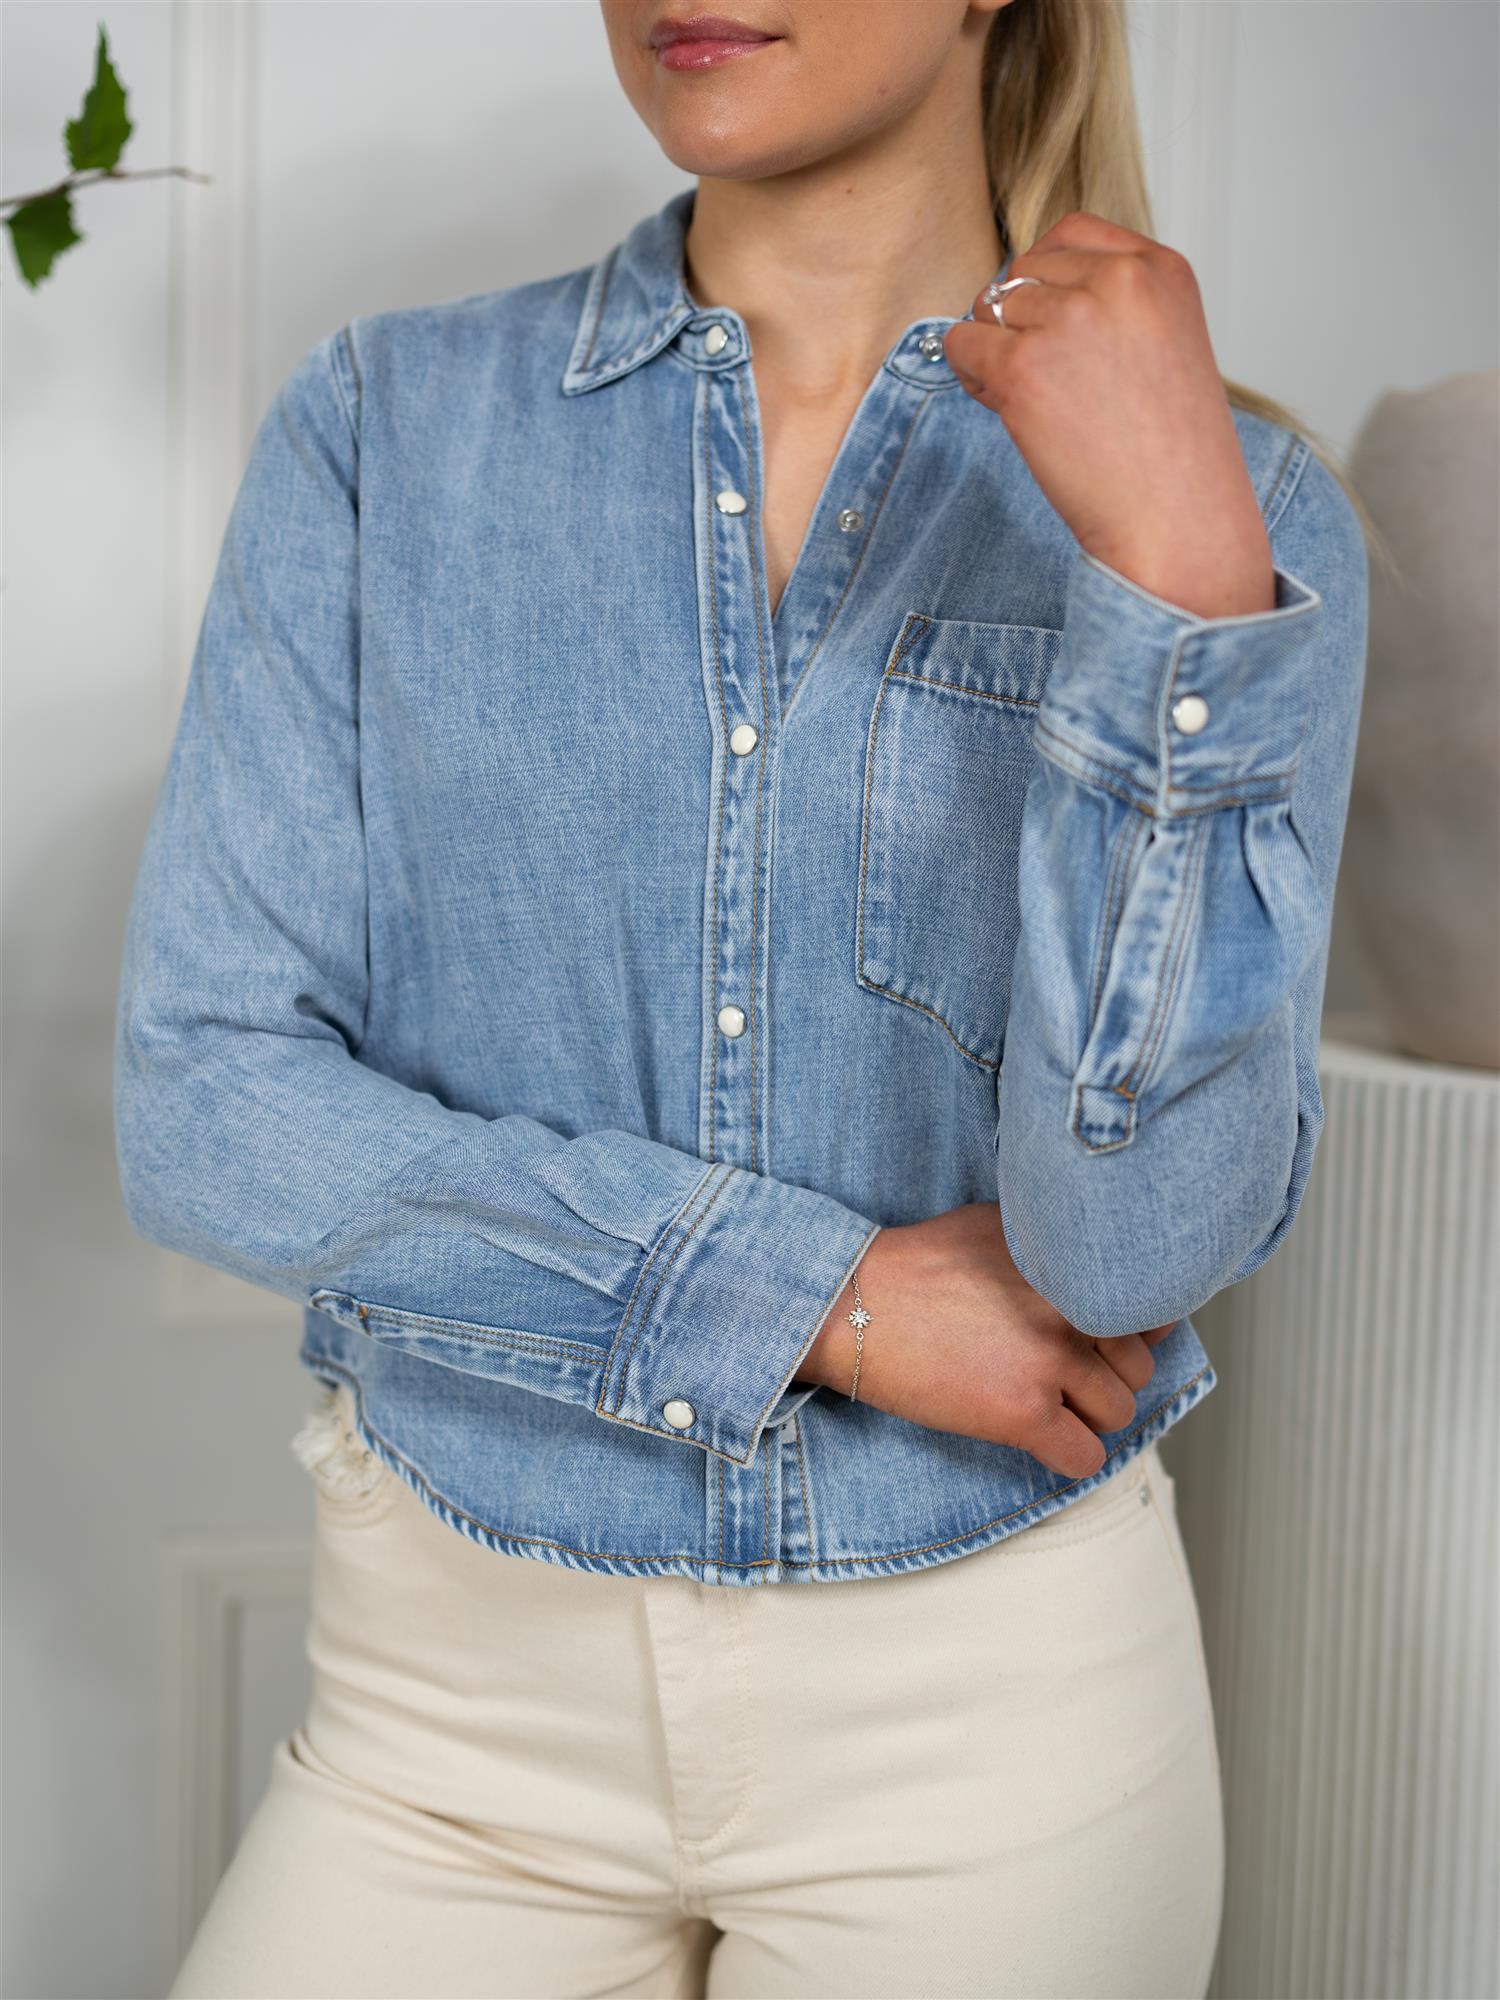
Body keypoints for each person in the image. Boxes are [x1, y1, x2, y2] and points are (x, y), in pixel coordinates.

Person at [115, 1, 1371, 1994]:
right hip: (449, 1719)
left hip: (989, 1736)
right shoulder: (387, 428)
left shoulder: (1244, 510)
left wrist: (1177, 591)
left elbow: (1134, 1247)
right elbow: (205, 1103)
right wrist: (816, 1299)